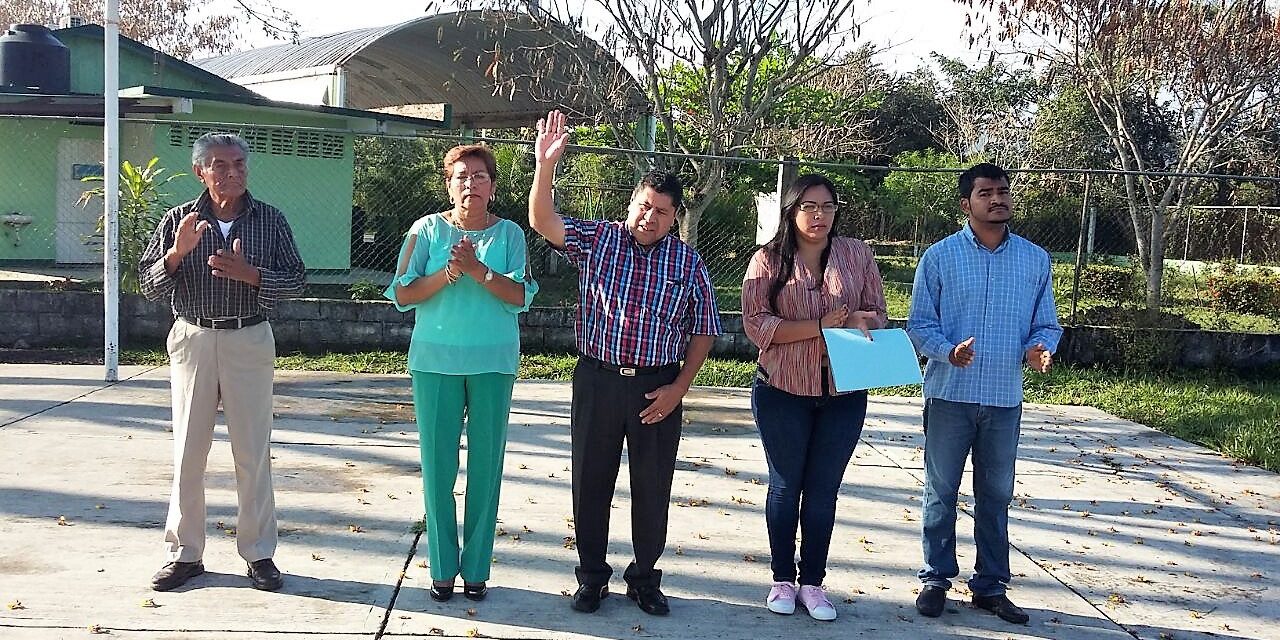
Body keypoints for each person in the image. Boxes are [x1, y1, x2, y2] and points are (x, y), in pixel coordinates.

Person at [528, 110, 722, 616]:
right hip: (597, 380)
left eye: (661, 211)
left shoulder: (687, 261)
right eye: (643, 206)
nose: (648, 217)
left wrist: (680, 387)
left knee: (652, 489)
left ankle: (644, 578)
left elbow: (703, 329)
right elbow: (543, 221)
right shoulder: (599, 240)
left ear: (674, 216)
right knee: (590, 483)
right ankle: (592, 576)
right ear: (630, 203)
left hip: (656, 388)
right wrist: (545, 167)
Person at [139, 132, 306, 592]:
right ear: (201, 172)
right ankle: (185, 554)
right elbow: (148, 286)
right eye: (219, 165)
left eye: (238, 164)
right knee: (188, 453)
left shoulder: (269, 220)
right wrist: (176, 255)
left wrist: (252, 276)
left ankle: (259, 554)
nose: (231, 172)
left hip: (248, 337)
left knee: (251, 452)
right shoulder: (180, 220)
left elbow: (296, 280)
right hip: (192, 338)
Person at [906, 162, 1062, 624]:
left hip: (1003, 398)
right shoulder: (939, 257)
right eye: (986, 192)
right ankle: (936, 578)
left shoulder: (1035, 259)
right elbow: (919, 324)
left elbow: (1046, 323)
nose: (998, 199)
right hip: (950, 395)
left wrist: (1040, 349)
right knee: (941, 491)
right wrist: (946, 351)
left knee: (995, 495)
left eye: (1002, 191)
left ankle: (991, 586)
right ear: (965, 204)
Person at [384, 144, 539, 603]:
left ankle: (476, 570)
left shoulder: (510, 234)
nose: (470, 184)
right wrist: (450, 273)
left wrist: (477, 270)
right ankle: (443, 568)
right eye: (461, 176)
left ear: (493, 185)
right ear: (448, 184)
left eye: (480, 176)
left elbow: (519, 295)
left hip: (492, 363)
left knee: (486, 468)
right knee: (437, 469)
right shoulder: (425, 231)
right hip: (435, 363)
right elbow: (404, 293)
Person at [741, 173, 888, 621]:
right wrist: (819, 325)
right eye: (808, 206)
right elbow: (757, 326)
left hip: (843, 392)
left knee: (824, 491)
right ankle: (783, 578)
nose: (819, 215)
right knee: (786, 487)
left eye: (827, 205)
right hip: (783, 390)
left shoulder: (857, 255)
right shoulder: (768, 261)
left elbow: (879, 312)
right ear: (791, 211)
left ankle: (813, 583)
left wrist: (863, 319)